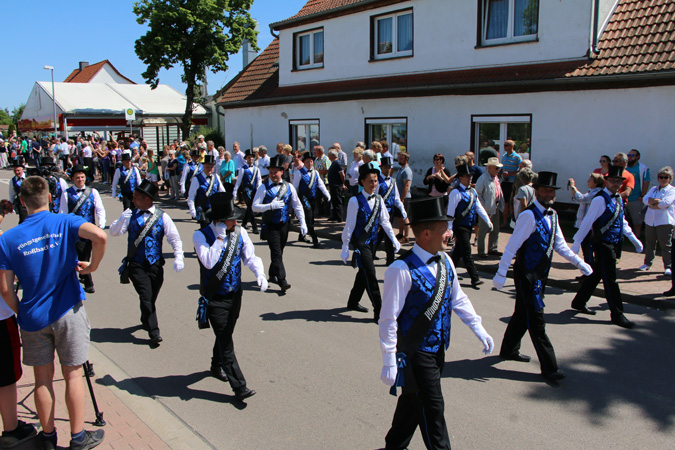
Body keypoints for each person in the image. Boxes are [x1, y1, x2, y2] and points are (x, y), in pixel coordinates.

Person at [0, 175, 107, 450]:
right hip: (67, 310)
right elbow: (100, 236)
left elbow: (6, 289)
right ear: (49, 197)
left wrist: (21, 311)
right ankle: (78, 436)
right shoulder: (64, 221)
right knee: (73, 374)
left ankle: (48, 436)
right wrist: (91, 267)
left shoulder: (8, 238)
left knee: (42, 378)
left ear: (22, 201)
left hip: (33, 316)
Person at [379, 196, 494, 450]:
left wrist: (478, 328)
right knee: (433, 410)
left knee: (413, 403)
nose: (450, 234)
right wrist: (389, 360)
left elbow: (458, 299)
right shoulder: (400, 269)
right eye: (444, 229)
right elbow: (388, 319)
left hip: (438, 350)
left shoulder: (446, 261)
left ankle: (393, 446)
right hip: (416, 353)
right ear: (427, 233)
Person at [493, 171, 592, 381]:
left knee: (522, 314)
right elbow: (512, 246)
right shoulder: (528, 216)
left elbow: (560, 245)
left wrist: (579, 263)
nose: (549, 194)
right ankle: (550, 367)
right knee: (537, 320)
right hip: (526, 275)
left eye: (551, 191)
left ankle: (508, 350)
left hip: (540, 275)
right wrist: (501, 272)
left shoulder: (553, 215)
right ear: (536, 191)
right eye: (545, 190)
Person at [193, 193, 267, 400]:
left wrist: (260, 274)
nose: (236, 222)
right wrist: (219, 238)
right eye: (232, 219)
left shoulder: (239, 232)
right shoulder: (200, 236)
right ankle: (239, 387)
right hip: (214, 298)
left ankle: (216, 365)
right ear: (219, 222)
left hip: (234, 295)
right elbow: (208, 261)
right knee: (226, 342)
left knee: (226, 333)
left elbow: (250, 257)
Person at [110, 180, 184, 347]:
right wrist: (121, 219)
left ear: (147, 199)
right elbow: (114, 233)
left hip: (155, 264)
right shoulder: (130, 215)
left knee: (150, 297)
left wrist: (178, 257)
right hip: (136, 265)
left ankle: (146, 318)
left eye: (136, 197)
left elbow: (174, 238)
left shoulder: (162, 216)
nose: (133, 200)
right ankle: (154, 331)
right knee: (146, 295)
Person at [570, 166, 643, 329]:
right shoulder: (599, 199)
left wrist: (634, 239)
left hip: (615, 243)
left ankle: (579, 302)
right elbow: (587, 221)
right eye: (612, 181)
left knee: (597, 273)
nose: (616, 184)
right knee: (610, 279)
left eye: (619, 181)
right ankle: (617, 314)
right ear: (606, 181)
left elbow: (621, 221)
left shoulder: (618, 199)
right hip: (603, 244)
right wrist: (576, 242)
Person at [341, 164, 400, 321]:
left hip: (373, 243)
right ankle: (379, 310)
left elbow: (385, 221)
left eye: (375, 181)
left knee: (364, 273)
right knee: (371, 274)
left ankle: (353, 301)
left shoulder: (379, 199)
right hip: (361, 244)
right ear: (362, 181)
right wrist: (345, 246)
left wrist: (393, 239)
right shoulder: (355, 201)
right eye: (370, 181)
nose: (374, 184)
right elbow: (349, 225)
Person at [252, 155, 307, 293]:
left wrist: (303, 222)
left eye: (275, 172)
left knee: (279, 251)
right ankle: (282, 280)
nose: (273, 175)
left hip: (284, 224)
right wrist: (269, 206)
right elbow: (254, 207)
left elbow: (297, 205)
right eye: (271, 172)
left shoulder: (289, 187)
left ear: (281, 172)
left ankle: (272, 273)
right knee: (276, 252)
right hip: (270, 225)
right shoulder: (263, 187)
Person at [0, 296, 38, 449]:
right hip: (2, 317)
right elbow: (5, 287)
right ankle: (11, 429)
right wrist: (22, 312)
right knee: (6, 376)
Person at [61, 165, 106, 294]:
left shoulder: (93, 192)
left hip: (89, 231)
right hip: (73, 231)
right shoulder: (66, 193)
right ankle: (88, 282)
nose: (80, 180)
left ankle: (83, 275)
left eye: (82, 177)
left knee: (85, 255)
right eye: (77, 178)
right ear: (73, 179)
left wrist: (101, 225)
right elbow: (63, 212)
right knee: (78, 255)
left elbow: (99, 208)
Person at [447, 164, 493, 289]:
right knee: (467, 252)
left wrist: (487, 220)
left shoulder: (472, 191)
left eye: (470, 176)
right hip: (459, 226)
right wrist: (450, 229)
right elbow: (450, 213)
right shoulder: (455, 192)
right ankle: (474, 278)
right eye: (467, 176)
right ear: (460, 178)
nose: (470, 178)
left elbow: (479, 207)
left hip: (468, 226)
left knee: (457, 253)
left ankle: (447, 274)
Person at [640, 166, 675, 276]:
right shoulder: (654, 189)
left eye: (666, 177)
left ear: (670, 179)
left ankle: (668, 266)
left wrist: (653, 203)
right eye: (661, 177)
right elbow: (645, 200)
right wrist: (656, 202)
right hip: (650, 220)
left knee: (666, 245)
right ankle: (647, 263)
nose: (663, 179)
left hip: (664, 221)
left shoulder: (672, 190)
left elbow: (666, 203)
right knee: (650, 243)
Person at [293, 151, 331, 247]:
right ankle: (315, 240)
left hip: (312, 198)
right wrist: (293, 200)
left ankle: (302, 235)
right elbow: (294, 187)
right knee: (309, 218)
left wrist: (327, 194)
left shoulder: (315, 173)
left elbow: (321, 185)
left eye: (311, 161)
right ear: (304, 162)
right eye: (307, 161)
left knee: (309, 217)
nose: (309, 163)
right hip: (303, 198)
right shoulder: (299, 173)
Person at [375, 157, 407, 265]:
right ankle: (390, 259)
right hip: (381, 212)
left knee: (381, 234)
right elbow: (375, 197)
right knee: (388, 235)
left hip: (391, 212)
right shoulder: (377, 181)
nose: (388, 169)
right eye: (386, 167)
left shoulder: (393, 181)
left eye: (389, 167)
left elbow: (396, 197)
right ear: (381, 168)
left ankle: (371, 252)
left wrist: (402, 209)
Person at [569, 173, 605, 265]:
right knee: (586, 246)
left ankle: (590, 267)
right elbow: (577, 199)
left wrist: (573, 187)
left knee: (587, 247)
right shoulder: (591, 192)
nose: (588, 181)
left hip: (590, 226)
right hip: (587, 225)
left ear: (596, 183)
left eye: (590, 180)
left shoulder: (596, 193)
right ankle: (590, 266)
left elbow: (581, 198)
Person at [475, 157, 502, 257]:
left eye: (498, 168)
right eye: (496, 168)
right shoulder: (483, 178)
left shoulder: (496, 178)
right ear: (489, 168)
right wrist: (483, 206)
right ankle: (481, 251)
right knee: (483, 230)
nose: (498, 170)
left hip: (495, 206)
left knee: (495, 230)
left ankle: (492, 248)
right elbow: (477, 194)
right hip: (486, 209)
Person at [188, 155, 226, 226]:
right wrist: (193, 210)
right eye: (207, 167)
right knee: (206, 230)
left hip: (214, 209)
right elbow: (191, 197)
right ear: (203, 166)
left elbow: (222, 193)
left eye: (211, 167)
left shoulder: (216, 177)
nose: (209, 169)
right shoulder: (197, 179)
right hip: (203, 210)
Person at [232, 150, 262, 234]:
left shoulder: (256, 169)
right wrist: (235, 191)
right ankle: (254, 226)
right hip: (246, 191)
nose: (251, 159)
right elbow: (238, 181)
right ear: (246, 159)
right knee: (250, 207)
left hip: (254, 191)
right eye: (249, 157)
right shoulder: (242, 169)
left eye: (252, 157)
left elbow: (259, 180)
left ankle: (244, 223)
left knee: (249, 207)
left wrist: (259, 190)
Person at [624, 148, 651, 238]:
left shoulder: (643, 168)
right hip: (624, 198)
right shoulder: (624, 167)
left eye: (632, 155)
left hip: (635, 198)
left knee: (637, 221)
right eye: (628, 155)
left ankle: (637, 237)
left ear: (637, 157)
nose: (629, 157)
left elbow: (646, 182)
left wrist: (642, 196)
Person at [500, 140, 522, 227]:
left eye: (506, 145)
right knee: (505, 202)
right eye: (504, 145)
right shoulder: (504, 156)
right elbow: (502, 168)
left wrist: (510, 174)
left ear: (512, 146)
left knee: (512, 203)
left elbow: (520, 170)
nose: (504, 147)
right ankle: (505, 222)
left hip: (512, 183)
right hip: (504, 182)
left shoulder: (517, 157)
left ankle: (514, 222)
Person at [395, 152, 412, 243]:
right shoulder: (400, 169)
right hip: (398, 197)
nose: (399, 160)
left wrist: (402, 198)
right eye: (399, 158)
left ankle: (406, 236)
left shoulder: (407, 171)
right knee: (399, 216)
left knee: (404, 216)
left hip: (405, 197)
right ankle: (400, 233)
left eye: (401, 158)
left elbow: (407, 185)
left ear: (406, 159)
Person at [325, 149, 343, 223]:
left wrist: (342, 183)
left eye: (329, 155)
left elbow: (342, 174)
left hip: (337, 185)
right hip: (332, 184)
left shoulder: (338, 163)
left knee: (338, 201)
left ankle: (339, 217)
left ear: (333, 155)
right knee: (334, 201)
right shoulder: (333, 163)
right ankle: (334, 216)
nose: (328, 156)